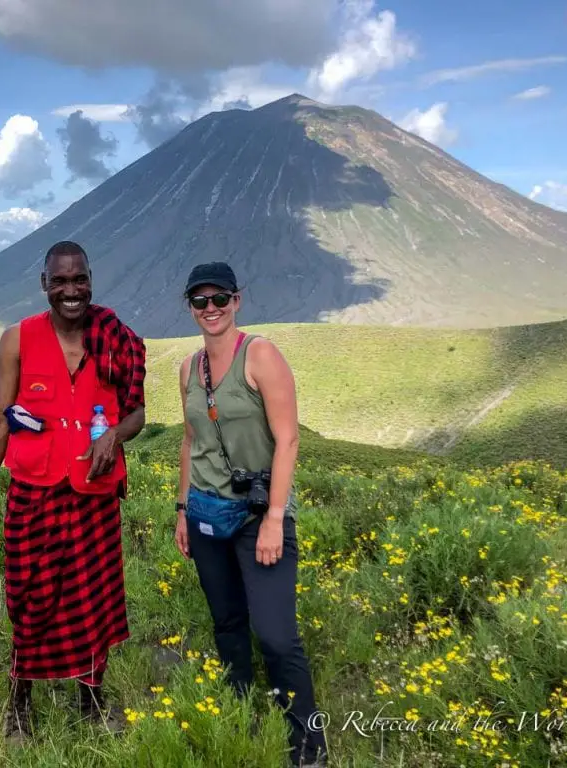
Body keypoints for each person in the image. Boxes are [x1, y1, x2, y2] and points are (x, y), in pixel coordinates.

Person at [0, 240, 147, 744]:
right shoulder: (18, 340)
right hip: (34, 495)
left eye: (80, 279)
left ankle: (91, 700)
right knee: (30, 602)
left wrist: (115, 434)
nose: (72, 291)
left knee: (94, 603)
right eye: (60, 281)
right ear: (44, 285)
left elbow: (137, 413)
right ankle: (19, 706)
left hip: (92, 499)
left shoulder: (115, 339)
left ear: (91, 279)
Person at [174, 262, 328, 767]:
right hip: (205, 512)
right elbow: (191, 440)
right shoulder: (188, 368)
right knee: (227, 621)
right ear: (190, 307)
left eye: (220, 299)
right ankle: (240, 709)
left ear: (238, 301)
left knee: (277, 635)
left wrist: (274, 519)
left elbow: (288, 438)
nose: (211, 309)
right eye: (201, 301)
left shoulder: (259, 354)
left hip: (258, 515)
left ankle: (308, 744)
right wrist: (181, 509)